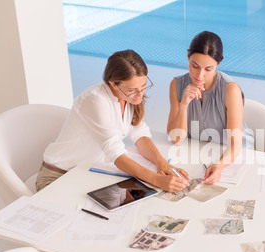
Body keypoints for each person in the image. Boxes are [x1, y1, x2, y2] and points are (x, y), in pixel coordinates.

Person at [36, 49, 189, 193]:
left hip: (87, 172)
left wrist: (161, 162)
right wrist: (156, 179)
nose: (139, 95)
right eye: (132, 90)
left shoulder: (128, 98)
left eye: (143, 86)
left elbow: (140, 135)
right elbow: (115, 152)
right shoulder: (95, 100)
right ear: (113, 84)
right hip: (59, 176)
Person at [167, 31, 254, 185]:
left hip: (232, 154)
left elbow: (235, 144)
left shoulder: (230, 89)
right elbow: (176, 139)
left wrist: (219, 166)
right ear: (188, 56)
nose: (199, 75)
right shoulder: (176, 85)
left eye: (208, 69)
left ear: (217, 65)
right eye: (195, 66)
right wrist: (184, 104)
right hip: (200, 153)